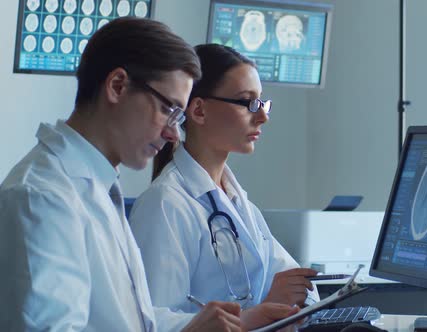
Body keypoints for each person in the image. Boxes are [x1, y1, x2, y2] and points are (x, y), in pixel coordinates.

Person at [0, 17, 295, 331]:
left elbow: (135, 320)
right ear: (117, 86)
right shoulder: (42, 197)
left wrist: (200, 325)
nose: (173, 134)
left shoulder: (96, 184)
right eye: (169, 110)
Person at [129, 44, 319, 314]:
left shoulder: (236, 200)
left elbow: (299, 284)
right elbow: (158, 321)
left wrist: (291, 304)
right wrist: (266, 310)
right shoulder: (165, 205)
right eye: (248, 103)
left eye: (262, 103)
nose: (263, 116)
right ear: (199, 111)